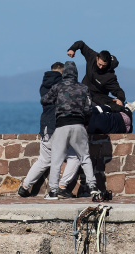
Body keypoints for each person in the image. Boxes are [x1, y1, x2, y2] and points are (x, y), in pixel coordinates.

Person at [18, 62, 79, 198]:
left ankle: (25, 186)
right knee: (75, 156)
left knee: (44, 160)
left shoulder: (43, 86)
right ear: (62, 72)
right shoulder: (62, 86)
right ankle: (61, 186)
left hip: (45, 125)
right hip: (58, 125)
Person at [42, 61, 100, 199]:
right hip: (79, 126)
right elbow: (88, 109)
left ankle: (54, 191)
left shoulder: (57, 87)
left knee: (56, 159)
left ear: (64, 73)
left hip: (62, 125)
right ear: (76, 73)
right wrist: (85, 122)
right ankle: (93, 186)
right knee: (85, 157)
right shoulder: (84, 88)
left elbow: (45, 100)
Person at [67, 40, 135, 113]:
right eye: (99, 64)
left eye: (104, 65)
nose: (101, 67)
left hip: (98, 95)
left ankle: (127, 108)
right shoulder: (92, 56)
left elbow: (118, 90)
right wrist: (72, 49)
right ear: (97, 58)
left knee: (111, 104)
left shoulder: (109, 76)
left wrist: (120, 99)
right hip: (84, 89)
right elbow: (81, 43)